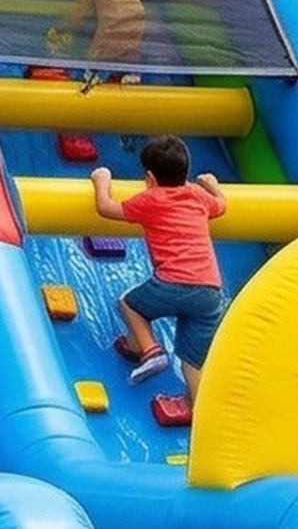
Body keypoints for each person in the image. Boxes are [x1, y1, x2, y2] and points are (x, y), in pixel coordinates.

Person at [96, 137, 229, 387]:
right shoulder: (198, 195)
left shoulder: (151, 199)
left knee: (129, 304)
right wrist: (212, 185)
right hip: (210, 292)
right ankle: (198, 415)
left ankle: (150, 350)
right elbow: (222, 206)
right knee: (192, 362)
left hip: (173, 284)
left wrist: (101, 179)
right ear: (186, 172)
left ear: (150, 178)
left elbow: (106, 208)